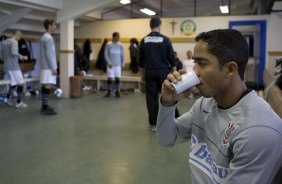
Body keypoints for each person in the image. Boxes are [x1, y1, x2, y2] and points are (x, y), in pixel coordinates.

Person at [157, 29, 282, 183]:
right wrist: (167, 103)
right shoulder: (205, 104)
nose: (194, 72)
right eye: (195, 63)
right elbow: (167, 138)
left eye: (202, 63)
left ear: (230, 69)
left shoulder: (258, 131)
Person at [139, 17, 176, 132]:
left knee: (151, 97)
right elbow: (172, 57)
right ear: (159, 25)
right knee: (167, 96)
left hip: (149, 71)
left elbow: (140, 59)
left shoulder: (144, 40)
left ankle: (153, 124)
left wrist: (142, 74)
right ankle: (172, 121)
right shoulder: (165, 40)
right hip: (163, 71)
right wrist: (174, 70)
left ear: (150, 25)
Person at [1, 30, 28, 108]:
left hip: (6, 66)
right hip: (14, 66)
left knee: (14, 82)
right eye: (20, 37)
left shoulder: (4, 42)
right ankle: (19, 102)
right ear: (18, 35)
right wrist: (23, 57)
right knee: (20, 83)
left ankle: (7, 98)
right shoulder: (14, 42)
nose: (20, 39)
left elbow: (1, 56)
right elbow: (14, 52)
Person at [40, 19, 57, 115]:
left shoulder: (43, 37)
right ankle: (45, 107)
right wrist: (53, 67)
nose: (55, 27)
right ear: (49, 25)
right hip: (49, 67)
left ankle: (44, 106)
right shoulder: (49, 38)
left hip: (45, 66)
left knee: (45, 85)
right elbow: (49, 54)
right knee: (48, 85)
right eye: (54, 25)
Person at [104, 32, 124, 98]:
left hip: (118, 65)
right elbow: (105, 54)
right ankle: (109, 92)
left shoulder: (121, 45)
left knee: (117, 78)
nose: (118, 38)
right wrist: (109, 62)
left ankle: (117, 92)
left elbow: (122, 55)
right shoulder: (108, 44)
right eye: (117, 36)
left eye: (119, 36)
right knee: (110, 78)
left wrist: (122, 64)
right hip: (110, 65)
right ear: (113, 37)